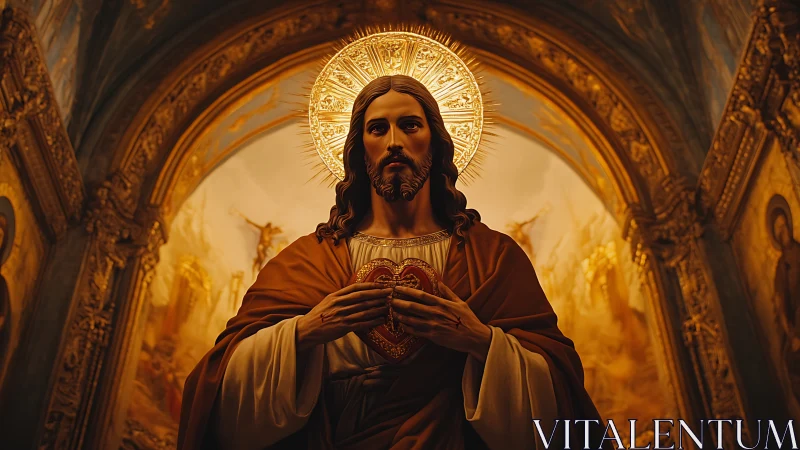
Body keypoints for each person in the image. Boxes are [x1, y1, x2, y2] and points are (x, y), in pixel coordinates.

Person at [179, 75, 607, 449]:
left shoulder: (492, 257)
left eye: (410, 125)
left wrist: (479, 341)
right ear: (359, 149)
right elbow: (218, 398)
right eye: (378, 129)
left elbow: (560, 398)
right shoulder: (306, 259)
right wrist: (305, 332)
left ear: (434, 144)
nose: (395, 142)